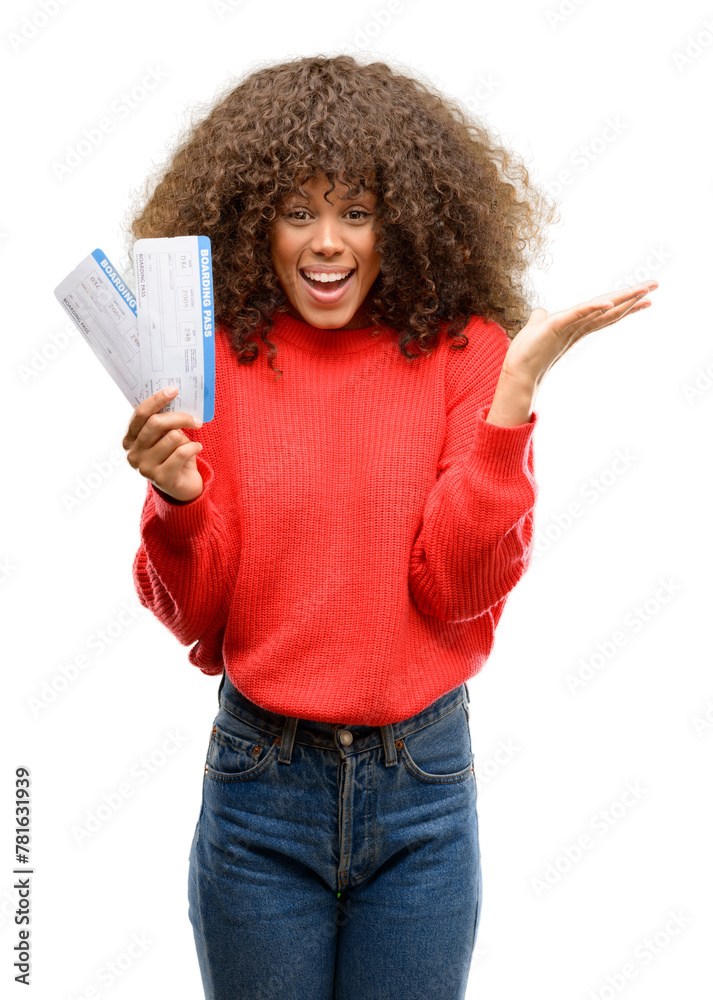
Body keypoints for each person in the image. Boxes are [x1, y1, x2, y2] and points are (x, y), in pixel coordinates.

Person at [120, 54, 657, 1000]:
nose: (327, 244)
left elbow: (454, 591)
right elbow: (201, 623)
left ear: (400, 221)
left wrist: (513, 400)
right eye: (299, 212)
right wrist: (178, 502)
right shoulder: (211, 363)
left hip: (423, 789)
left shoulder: (468, 354)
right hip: (258, 789)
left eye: (356, 213)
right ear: (256, 221)